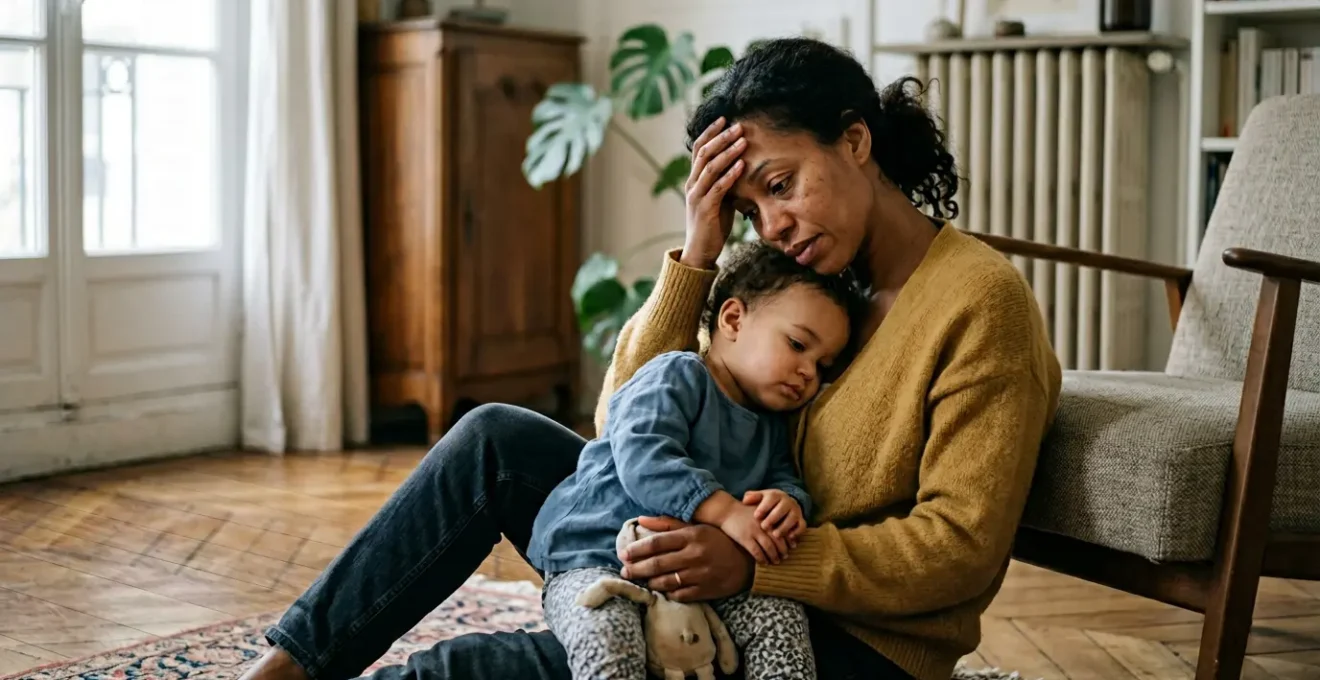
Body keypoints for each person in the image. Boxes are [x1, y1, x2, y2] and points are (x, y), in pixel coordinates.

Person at [238, 36, 1062, 680]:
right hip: (697, 549)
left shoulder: (980, 305)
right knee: (493, 440)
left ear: (855, 141)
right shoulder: (815, 281)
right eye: (747, 207)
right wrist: (699, 253)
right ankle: (289, 664)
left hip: (838, 648)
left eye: (781, 184)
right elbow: (624, 419)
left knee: (473, 670)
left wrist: (752, 566)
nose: (770, 225)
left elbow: (957, 551)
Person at [530, 241, 864, 680]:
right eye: (798, 344)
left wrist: (788, 503)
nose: (808, 372)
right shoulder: (677, 374)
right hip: (596, 555)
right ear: (733, 320)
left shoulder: (770, 423)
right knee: (609, 641)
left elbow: (783, 476)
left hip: (697, 578)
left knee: (780, 619)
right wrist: (725, 511)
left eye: (823, 366)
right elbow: (643, 454)